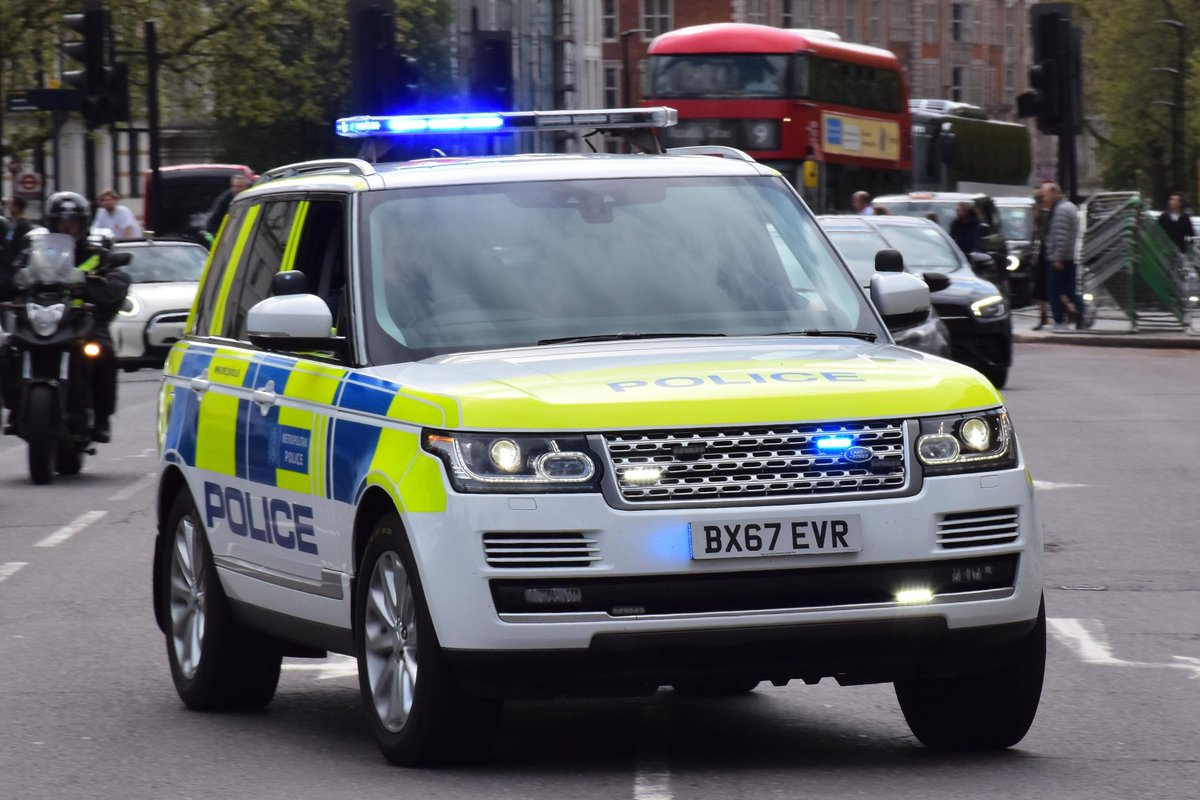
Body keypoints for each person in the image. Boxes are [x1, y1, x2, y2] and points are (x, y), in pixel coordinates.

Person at [3, 192, 130, 441]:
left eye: (73, 222)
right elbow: (14, 273)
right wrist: (13, 283)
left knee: (103, 352)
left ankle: (102, 417)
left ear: (83, 223)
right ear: (53, 223)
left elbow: (115, 278)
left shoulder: (95, 251)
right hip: (41, 316)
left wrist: (101, 285)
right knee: (7, 348)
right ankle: (15, 407)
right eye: (63, 222)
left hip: (82, 320)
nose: (68, 226)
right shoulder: (34, 251)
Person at [1040, 181, 1084, 332]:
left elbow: (1061, 236)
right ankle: (1082, 311)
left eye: (1045, 195)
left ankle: (1060, 320)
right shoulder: (1067, 207)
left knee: (1055, 290)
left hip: (1061, 258)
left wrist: (1057, 257)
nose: (1044, 199)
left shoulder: (1061, 211)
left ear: (1054, 193)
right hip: (1068, 256)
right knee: (1068, 289)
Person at [1029, 187, 1051, 330]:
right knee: (1039, 288)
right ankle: (1044, 315)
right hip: (1041, 252)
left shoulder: (1044, 214)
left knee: (1044, 286)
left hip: (1046, 252)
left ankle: (1046, 316)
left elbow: (1040, 235)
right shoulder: (1042, 213)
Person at [3, 196, 34, 279]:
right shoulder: (15, 224)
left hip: (16, 271)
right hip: (8, 268)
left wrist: (17, 263)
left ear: (16, 208)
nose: (8, 207)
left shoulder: (24, 225)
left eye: (10, 205)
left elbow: (26, 247)